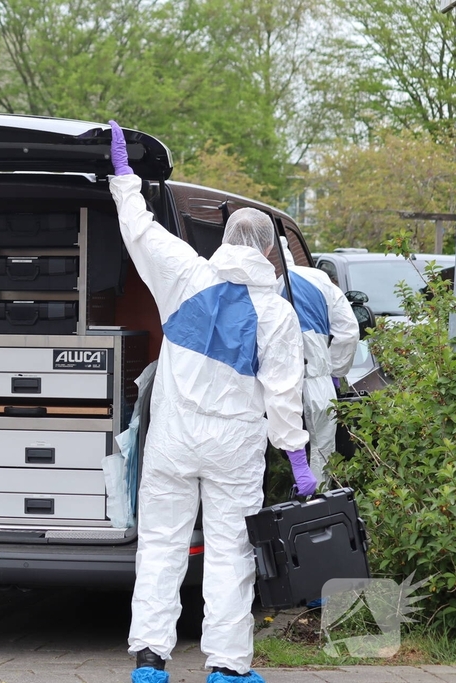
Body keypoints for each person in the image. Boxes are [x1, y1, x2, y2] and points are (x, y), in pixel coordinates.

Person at [107, 121, 312, 683]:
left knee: (161, 548)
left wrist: (125, 177)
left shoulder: (186, 278)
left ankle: (150, 660)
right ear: (272, 253)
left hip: (173, 441)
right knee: (229, 555)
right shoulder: (276, 315)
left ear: (224, 242)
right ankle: (227, 667)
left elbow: (140, 231)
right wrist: (296, 458)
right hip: (234, 449)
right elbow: (283, 396)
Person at [277, 237, 360, 485]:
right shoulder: (320, 281)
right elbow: (348, 333)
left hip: (276, 382)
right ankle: (317, 511)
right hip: (316, 380)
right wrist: (334, 370)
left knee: (275, 448)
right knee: (322, 451)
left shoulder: (265, 286)